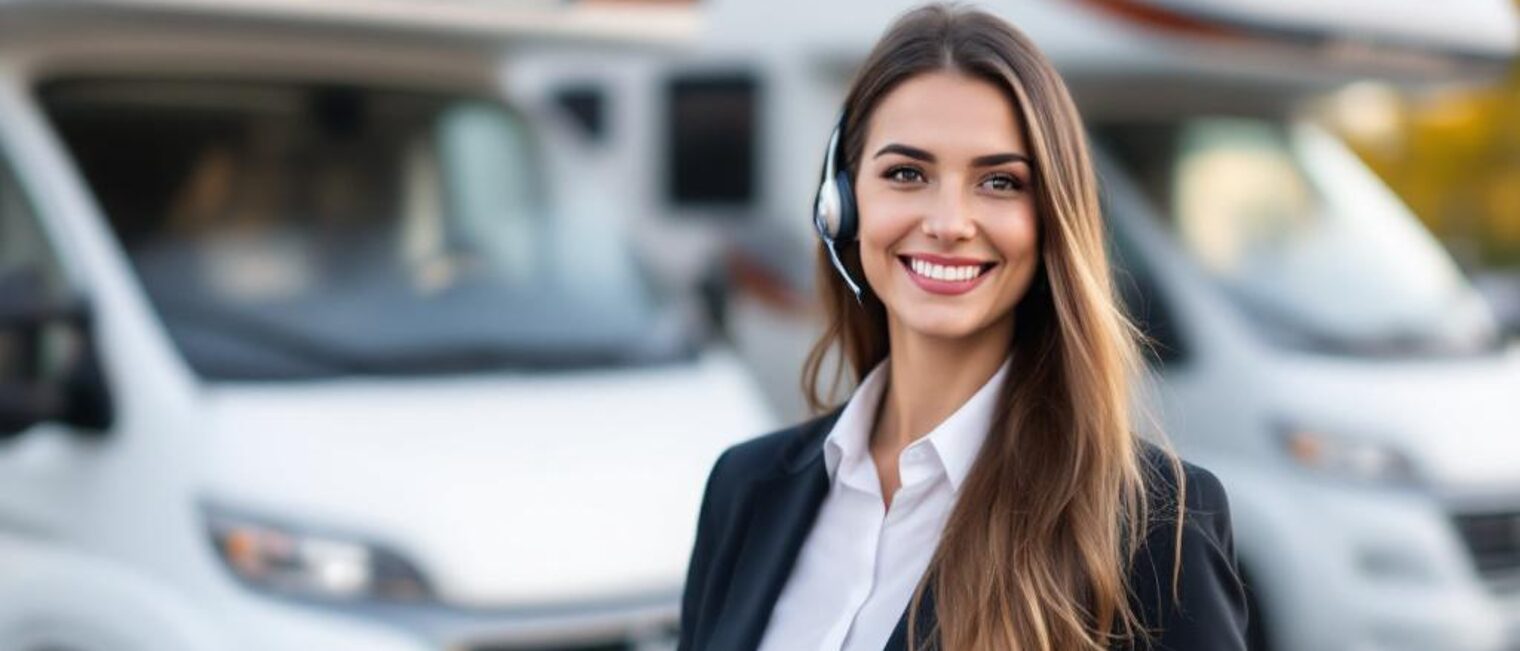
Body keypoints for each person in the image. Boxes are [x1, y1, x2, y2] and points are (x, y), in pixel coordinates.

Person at [678, 4, 1249, 651]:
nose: (949, 221)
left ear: (1051, 220)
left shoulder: (1155, 527)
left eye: (999, 182)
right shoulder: (746, 489)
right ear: (841, 203)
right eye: (906, 173)